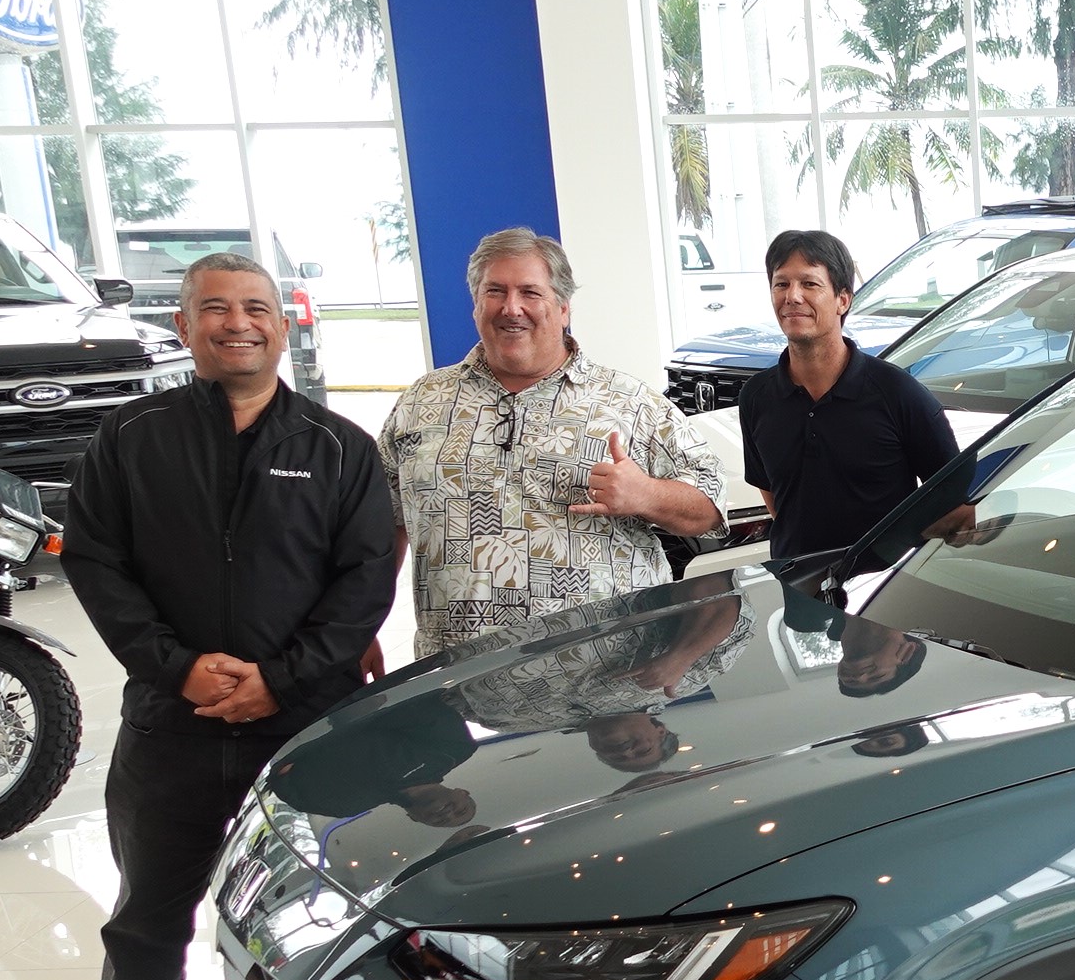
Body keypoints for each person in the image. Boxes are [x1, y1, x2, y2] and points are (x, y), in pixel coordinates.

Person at [57, 252, 395, 980]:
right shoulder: (132, 437)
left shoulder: (338, 447)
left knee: (317, 920)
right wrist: (174, 668)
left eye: (255, 308)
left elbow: (366, 581)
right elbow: (94, 559)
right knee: (146, 916)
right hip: (171, 726)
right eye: (214, 308)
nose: (236, 323)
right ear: (183, 327)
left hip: (302, 733)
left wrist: (280, 678)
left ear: (282, 327)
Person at [372, 228, 722, 660]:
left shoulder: (629, 404)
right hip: (457, 676)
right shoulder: (421, 403)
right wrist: (363, 627)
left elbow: (710, 509)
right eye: (495, 291)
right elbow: (383, 523)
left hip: (602, 677)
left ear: (563, 307)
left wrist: (646, 494)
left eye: (530, 292)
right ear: (476, 304)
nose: (511, 307)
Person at [739, 229, 964, 568]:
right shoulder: (756, 397)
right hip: (795, 587)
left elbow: (953, 503)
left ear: (843, 300)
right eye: (781, 284)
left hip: (881, 589)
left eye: (810, 284)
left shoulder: (897, 392)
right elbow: (777, 499)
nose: (792, 297)